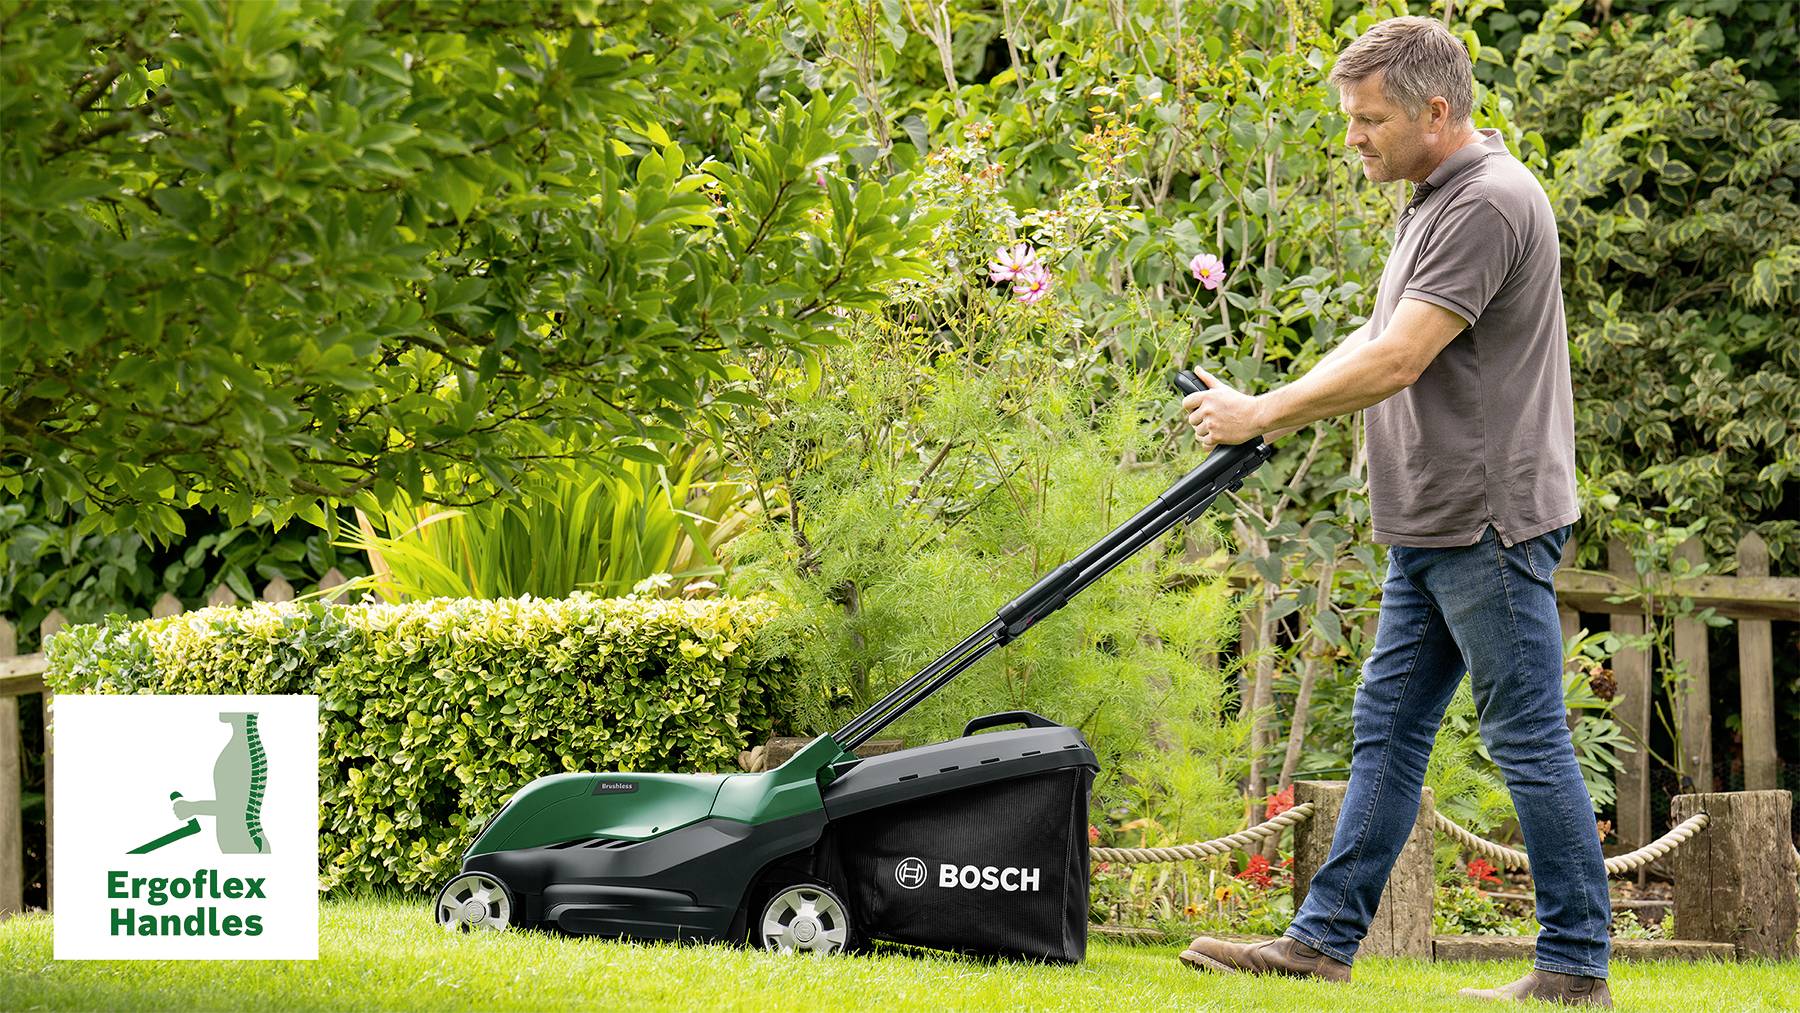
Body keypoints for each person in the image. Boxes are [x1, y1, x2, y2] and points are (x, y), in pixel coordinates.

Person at [1175, 15, 1612, 1008]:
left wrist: (1265, 411)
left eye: (1368, 120)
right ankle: (1322, 942)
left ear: (1435, 111)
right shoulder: (1434, 198)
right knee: (1388, 729)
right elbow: (1370, 336)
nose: (1353, 139)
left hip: (1487, 520)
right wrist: (1265, 412)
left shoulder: (1490, 204)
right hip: (1432, 521)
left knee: (1529, 735)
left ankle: (1577, 965)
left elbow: (1400, 357)